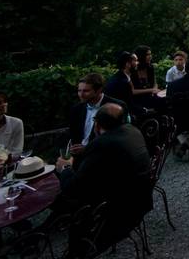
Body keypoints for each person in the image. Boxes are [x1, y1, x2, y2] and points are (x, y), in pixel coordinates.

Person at [54, 104, 152, 253]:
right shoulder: (133, 131)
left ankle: (76, 250)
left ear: (97, 124)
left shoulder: (102, 145)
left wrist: (65, 168)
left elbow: (74, 188)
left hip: (117, 212)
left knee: (61, 198)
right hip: (141, 198)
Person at [68, 73, 125, 157]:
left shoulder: (116, 107)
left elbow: (118, 138)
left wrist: (87, 149)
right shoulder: (76, 109)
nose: (81, 95)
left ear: (99, 90)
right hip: (78, 156)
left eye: (86, 91)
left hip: (104, 155)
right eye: (79, 91)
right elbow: (73, 136)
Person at [131, 46, 162, 110]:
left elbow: (155, 84)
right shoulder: (132, 70)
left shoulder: (150, 68)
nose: (150, 56)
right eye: (147, 54)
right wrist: (151, 90)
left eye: (150, 54)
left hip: (150, 96)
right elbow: (132, 91)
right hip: (137, 99)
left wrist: (155, 89)